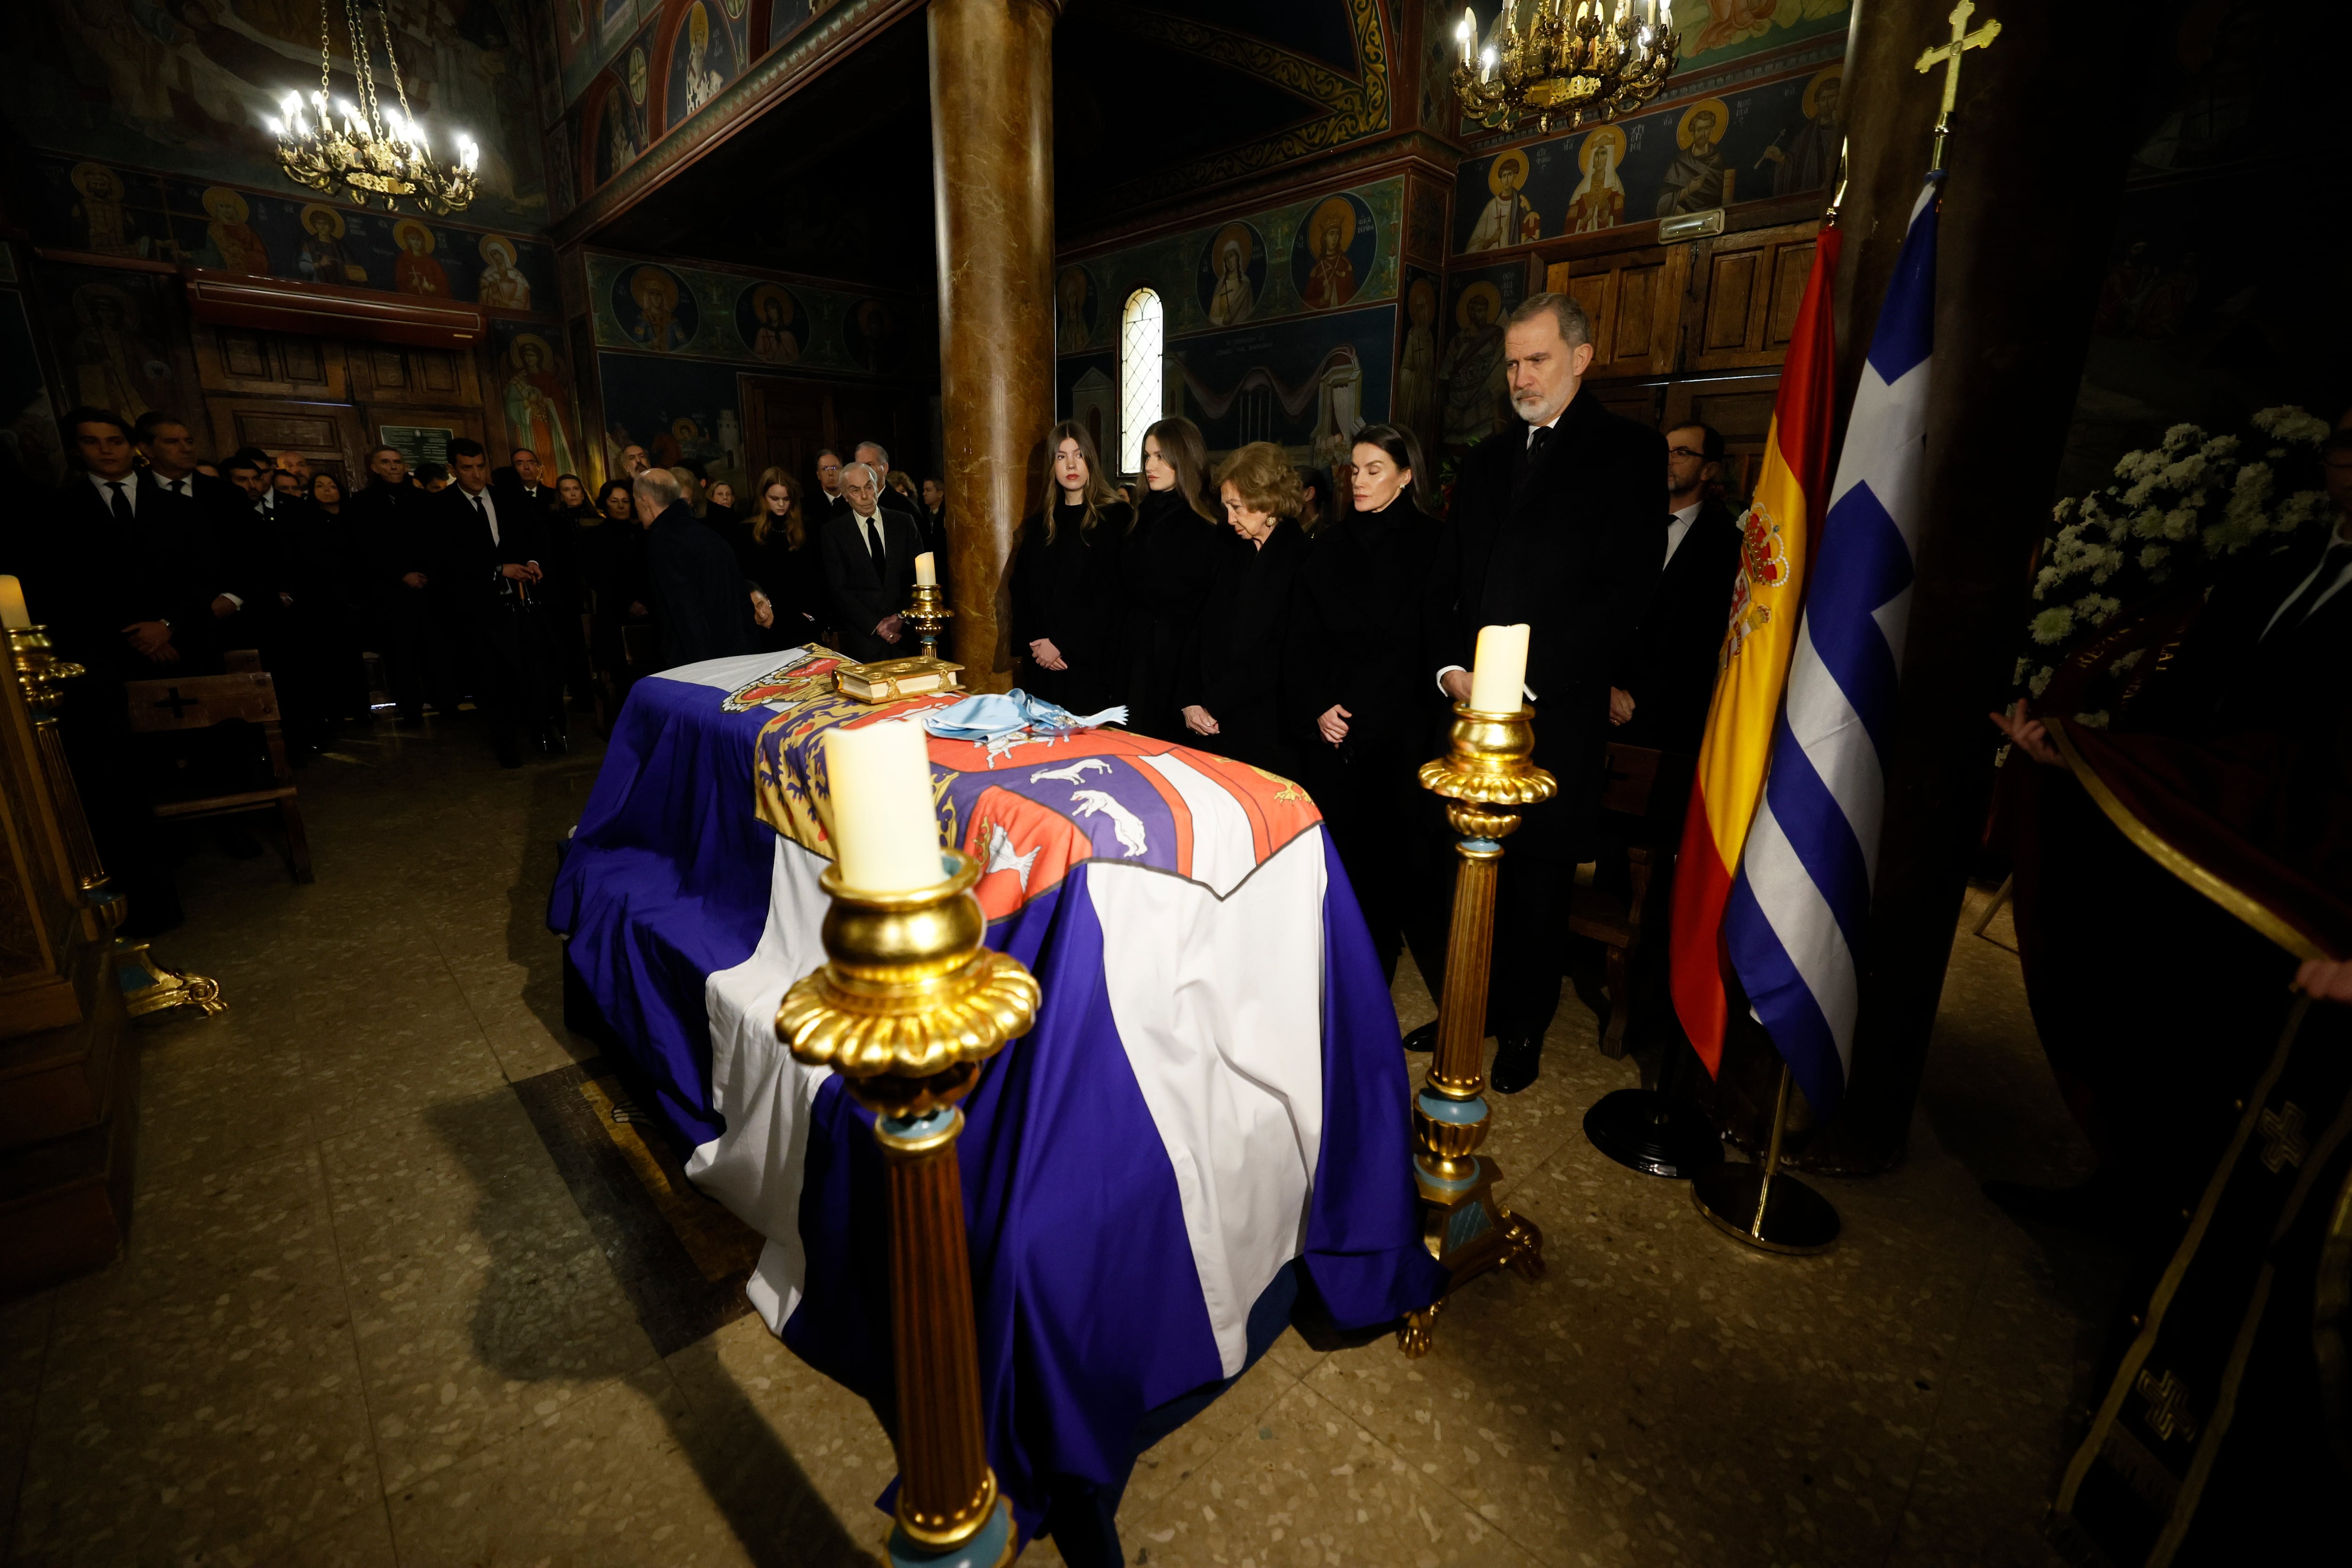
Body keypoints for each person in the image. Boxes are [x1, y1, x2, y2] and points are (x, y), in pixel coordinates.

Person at [1421, 293, 1667, 1093]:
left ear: (1581, 358)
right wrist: (1453, 667)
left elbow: (1623, 591)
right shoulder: (1488, 458)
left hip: (1553, 707)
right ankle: (1475, 1005)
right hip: (1470, 707)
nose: (1521, 376)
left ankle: (1524, 1024)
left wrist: (1526, 679)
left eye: (1538, 360)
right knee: (1468, 865)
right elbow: (1453, 580)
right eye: (1514, 361)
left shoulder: (1628, 451)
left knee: (1536, 874)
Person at [2, 408, 228, 932]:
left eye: (115, 442)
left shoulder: (175, 506)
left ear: (134, 449)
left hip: (182, 641)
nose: (106, 451)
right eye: (92, 442)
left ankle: (217, 831)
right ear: (76, 449)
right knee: (127, 771)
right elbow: (70, 589)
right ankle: (154, 860)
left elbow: (205, 573)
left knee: (205, 745)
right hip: (106, 653)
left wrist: (168, 624)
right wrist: (135, 632)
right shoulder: (62, 510)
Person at [1286, 425, 1445, 980]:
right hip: (1330, 732)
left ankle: (1374, 977)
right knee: (1336, 857)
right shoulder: (1327, 544)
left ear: (1405, 475)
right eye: (1354, 469)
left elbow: (1423, 647)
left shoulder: (1434, 544)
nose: (1359, 481)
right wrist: (1318, 707)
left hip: (1399, 733)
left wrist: (1364, 715)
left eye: (1374, 469)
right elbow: (1300, 639)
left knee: (1392, 866)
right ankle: (1330, 970)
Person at [1179, 442, 1310, 776]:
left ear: (1267, 501)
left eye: (1237, 506)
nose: (1229, 518)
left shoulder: (1303, 560)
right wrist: (1191, 699)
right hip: (1210, 722)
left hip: (1265, 729)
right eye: (1226, 507)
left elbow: (1276, 655)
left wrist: (1213, 703)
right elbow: (1200, 626)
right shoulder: (1231, 548)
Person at [1611, 422, 1741, 755]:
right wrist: (1602, 688)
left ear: (1709, 470)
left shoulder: (1727, 545)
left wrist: (1637, 696)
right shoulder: (1620, 527)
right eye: (1664, 451)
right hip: (1592, 706)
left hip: (1667, 725)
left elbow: (1705, 639)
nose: (1667, 460)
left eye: (1682, 453)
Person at [431, 437, 562, 766]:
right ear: (453, 469)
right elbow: (444, 559)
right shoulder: (441, 506)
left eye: (480, 466)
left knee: (533, 670)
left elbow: (534, 536)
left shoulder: (508, 497)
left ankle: (541, 732)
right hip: (476, 609)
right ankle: (506, 745)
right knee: (491, 680)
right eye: (467, 468)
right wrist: (497, 569)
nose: (476, 474)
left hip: (521, 604)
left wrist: (533, 561)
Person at [1117, 417, 1224, 740]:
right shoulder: (1141, 515)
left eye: (1161, 456)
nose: (1151, 465)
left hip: (1180, 667)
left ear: (1184, 457)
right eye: (1148, 456)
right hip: (1137, 658)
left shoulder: (1208, 523)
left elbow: (1211, 614)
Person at [1011, 422, 1129, 714]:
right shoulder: (1040, 523)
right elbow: (1020, 588)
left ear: (1091, 459)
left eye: (1079, 455)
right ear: (1052, 465)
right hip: (1043, 663)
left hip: (1092, 663)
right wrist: (1039, 647)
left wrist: (1062, 643)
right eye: (1061, 457)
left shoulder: (1116, 517)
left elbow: (1109, 593)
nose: (1071, 464)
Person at [346, 444, 443, 723]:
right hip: (389, 591)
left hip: (428, 588)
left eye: (398, 462)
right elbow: (365, 547)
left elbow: (437, 541)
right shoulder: (361, 503)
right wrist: (401, 574)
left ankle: (444, 702)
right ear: (374, 468)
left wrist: (426, 573)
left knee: (435, 650)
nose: (394, 467)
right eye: (387, 462)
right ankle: (410, 708)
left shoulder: (424, 500)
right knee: (400, 654)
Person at [636, 466, 763, 667]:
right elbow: (742, 601)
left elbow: (685, 612)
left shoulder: (664, 540)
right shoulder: (713, 537)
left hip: (698, 665)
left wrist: (702, 669)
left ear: (644, 501)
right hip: (736, 656)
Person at [820, 461, 921, 662]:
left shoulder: (904, 522)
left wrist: (900, 618)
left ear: (876, 487)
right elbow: (839, 589)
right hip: (863, 639)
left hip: (906, 636)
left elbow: (917, 573)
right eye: (856, 490)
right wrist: (877, 626)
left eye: (868, 487)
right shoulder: (834, 532)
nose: (865, 496)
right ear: (846, 496)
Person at [733, 466, 826, 651]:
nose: (781, 504)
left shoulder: (809, 528)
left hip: (802, 618)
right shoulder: (746, 533)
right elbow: (746, 580)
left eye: (786, 499)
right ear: (763, 497)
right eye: (775, 499)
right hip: (766, 619)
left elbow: (817, 575)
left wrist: (813, 615)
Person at [578, 478, 651, 711]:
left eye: (625, 501)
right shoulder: (593, 537)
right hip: (614, 611)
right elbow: (596, 577)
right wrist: (628, 603)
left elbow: (650, 573)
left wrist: (645, 602)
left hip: (648, 611)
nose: (621, 506)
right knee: (620, 675)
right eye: (615, 501)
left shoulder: (644, 534)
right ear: (605, 504)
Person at [853, 441, 920, 524]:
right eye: (859, 466)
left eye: (869, 465)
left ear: (885, 468)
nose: (863, 470)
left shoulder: (905, 508)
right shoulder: (848, 506)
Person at [1295, 465, 1334, 536]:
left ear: (1309, 494)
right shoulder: (1285, 530)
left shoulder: (1325, 537)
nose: (1284, 497)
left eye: (1290, 491)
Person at [814, 448, 844, 515]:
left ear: (842, 472)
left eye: (834, 468)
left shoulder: (853, 501)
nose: (831, 473)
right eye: (825, 469)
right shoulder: (808, 505)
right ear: (818, 475)